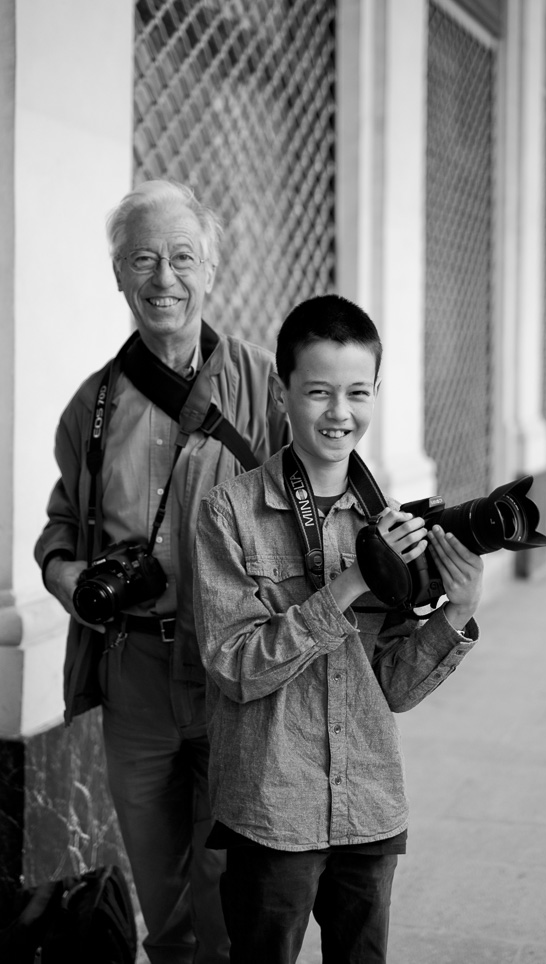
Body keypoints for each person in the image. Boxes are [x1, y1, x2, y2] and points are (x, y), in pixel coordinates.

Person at [34, 179, 290, 964]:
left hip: (230, 667)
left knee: (228, 885)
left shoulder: (261, 385)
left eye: (182, 258)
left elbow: (317, 506)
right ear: (118, 275)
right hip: (134, 673)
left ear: (211, 270)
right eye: (142, 259)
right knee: (160, 889)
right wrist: (68, 578)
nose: (163, 279)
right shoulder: (92, 407)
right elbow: (58, 530)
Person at [193, 293, 484, 962]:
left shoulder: (395, 519)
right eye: (319, 391)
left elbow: (393, 688)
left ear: (376, 391)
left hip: (370, 803)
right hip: (271, 808)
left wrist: (457, 612)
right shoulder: (228, 514)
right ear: (282, 388)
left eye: (357, 392)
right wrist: (351, 581)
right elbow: (235, 668)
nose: (339, 413)